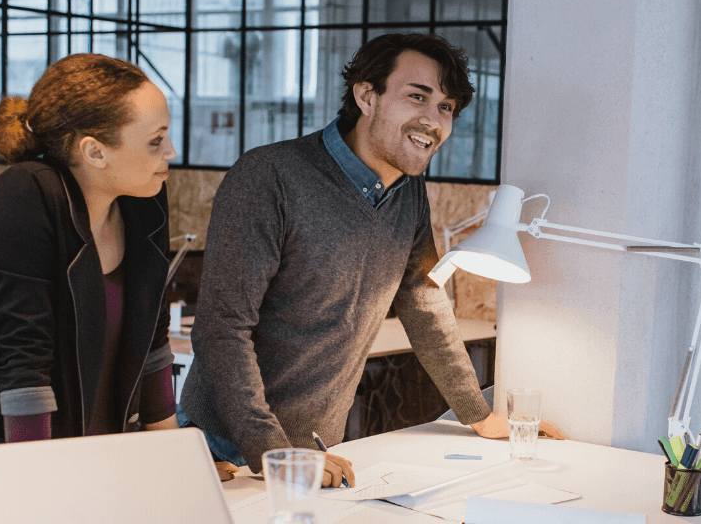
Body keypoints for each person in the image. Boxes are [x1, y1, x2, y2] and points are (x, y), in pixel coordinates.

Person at [180, 33, 563, 487]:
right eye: (417, 97)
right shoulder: (270, 176)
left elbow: (424, 303)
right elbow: (223, 329)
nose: (433, 120)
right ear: (366, 95)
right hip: (224, 452)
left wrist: (478, 414)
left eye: (446, 108)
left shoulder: (408, 194)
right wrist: (272, 453)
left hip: (316, 449)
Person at [0, 53, 180, 445]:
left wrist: (177, 458)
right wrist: (44, 479)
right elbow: (23, 364)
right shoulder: (26, 194)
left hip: (110, 457)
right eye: (156, 141)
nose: (170, 152)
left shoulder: (145, 199)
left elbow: (153, 344)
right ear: (95, 152)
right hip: (22, 457)